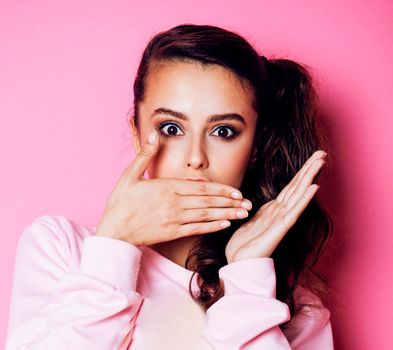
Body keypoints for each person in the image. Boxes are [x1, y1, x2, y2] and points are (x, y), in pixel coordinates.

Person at [5, 23, 334, 349]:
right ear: (137, 133)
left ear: (255, 149)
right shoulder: (61, 249)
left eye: (223, 131)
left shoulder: (289, 306)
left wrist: (247, 279)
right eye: (172, 128)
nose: (195, 158)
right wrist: (115, 246)